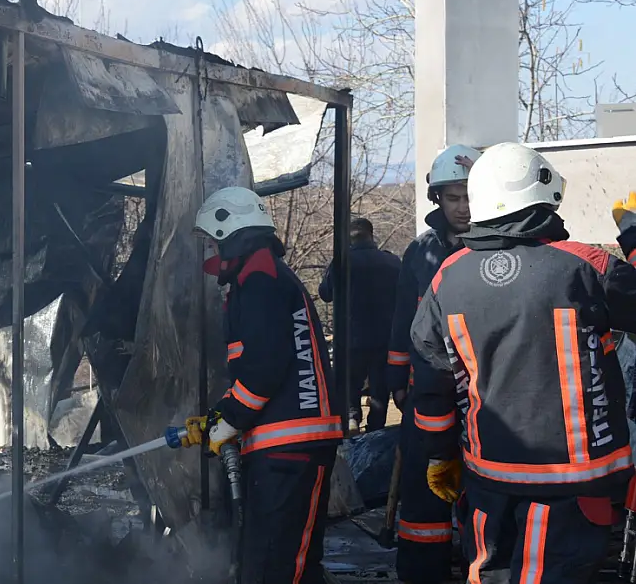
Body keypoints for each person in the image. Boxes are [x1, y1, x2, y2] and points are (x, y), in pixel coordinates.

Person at [410, 143, 636, 584]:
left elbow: (432, 382)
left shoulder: (447, 278)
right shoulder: (586, 267)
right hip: (573, 479)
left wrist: (439, 456)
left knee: (489, 572)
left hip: (487, 473)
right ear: (546, 198)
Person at [181, 186, 342, 584]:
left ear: (230, 234)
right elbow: (253, 366)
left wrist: (228, 420)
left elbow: (266, 367)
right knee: (270, 563)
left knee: (279, 567)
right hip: (285, 444)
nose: (211, 256)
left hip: (292, 444)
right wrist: (219, 416)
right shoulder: (260, 275)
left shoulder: (261, 279)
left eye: (212, 244)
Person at [384, 143, 480, 584]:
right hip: (427, 393)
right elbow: (404, 319)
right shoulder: (420, 253)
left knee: (480, 492)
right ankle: (423, 573)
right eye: (453, 197)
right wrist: (396, 381)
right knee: (425, 495)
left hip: (482, 395)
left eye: (469, 195)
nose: (462, 207)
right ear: (437, 199)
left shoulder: (497, 248)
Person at [318, 217, 401, 432]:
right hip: (385, 336)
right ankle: (376, 427)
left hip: (350, 337)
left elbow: (325, 294)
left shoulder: (342, 263)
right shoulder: (392, 263)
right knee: (380, 385)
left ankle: (352, 417)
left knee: (350, 382)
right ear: (372, 235)